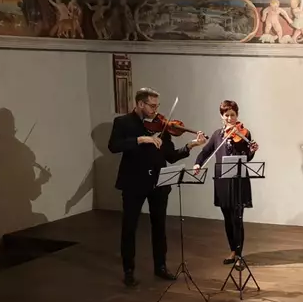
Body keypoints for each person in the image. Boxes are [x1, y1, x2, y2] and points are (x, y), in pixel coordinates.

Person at [109, 88, 206, 287]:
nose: (156, 110)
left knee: (159, 226)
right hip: (133, 183)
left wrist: (191, 145)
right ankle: (129, 270)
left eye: (157, 106)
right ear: (140, 104)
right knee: (129, 227)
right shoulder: (123, 122)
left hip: (159, 183)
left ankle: (160, 266)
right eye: (152, 106)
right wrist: (140, 139)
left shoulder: (162, 127)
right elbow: (114, 146)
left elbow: (171, 156)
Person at [192, 100, 260, 266]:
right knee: (228, 218)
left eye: (233, 115)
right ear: (221, 116)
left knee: (237, 218)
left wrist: (252, 151)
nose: (230, 118)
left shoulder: (244, 133)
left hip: (238, 181)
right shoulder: (217, 135)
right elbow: (206, 152)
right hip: (222, 181)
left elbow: (246, 157)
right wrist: (198, 163)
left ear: (237, 115)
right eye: (226, 115)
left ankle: (239, 255)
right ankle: (232, 251)